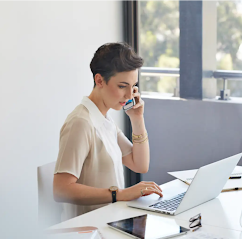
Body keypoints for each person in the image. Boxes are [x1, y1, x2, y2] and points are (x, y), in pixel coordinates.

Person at [53, 42, 163, 220]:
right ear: (99, 80)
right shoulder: (80, 123)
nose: (129, 95)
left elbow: (139, 164)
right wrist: (118, 194)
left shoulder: (105, 119)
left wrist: (137, 118)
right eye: (122, 86)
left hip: (112, 221)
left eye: (133, 86)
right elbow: (61, 190)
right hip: (90, 230)